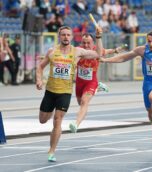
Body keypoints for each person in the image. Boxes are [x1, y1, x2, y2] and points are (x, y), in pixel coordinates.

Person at [35, 26, 103, 162]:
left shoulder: (77, 51)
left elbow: (98, 55)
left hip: (65, 92)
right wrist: (39, 79)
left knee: (57, 121)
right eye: (63, 35)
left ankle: (51, 151)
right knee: (43, 120)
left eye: (68, 35)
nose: (66, 37)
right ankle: (50, 112)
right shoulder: (52, 51)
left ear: (72, 37)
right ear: (59, 36)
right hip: (50, 91)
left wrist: (99, 37)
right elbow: (40, 67)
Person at [69, 32, 127, 133]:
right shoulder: (77, 51)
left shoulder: (97, 51)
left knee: (84, 101)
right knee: (80, 103)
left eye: (88, 43)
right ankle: (98, 88)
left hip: (91, 82)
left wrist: (115, 50)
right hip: (79, 83)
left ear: (93, 44)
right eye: (84, 43)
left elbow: (106, 51)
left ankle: (76, 124)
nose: (86, 45)